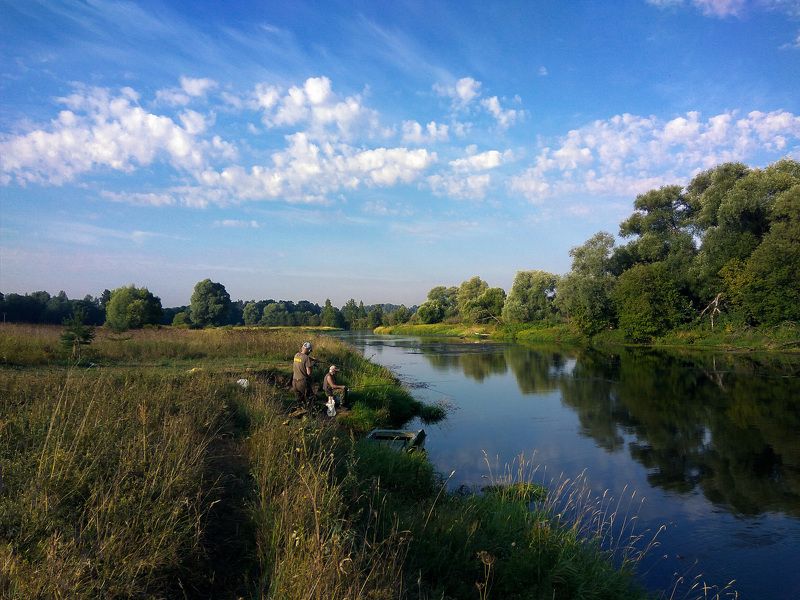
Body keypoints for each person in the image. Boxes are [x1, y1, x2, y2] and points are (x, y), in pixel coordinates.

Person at [292, 341, 316, 407]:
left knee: (299, 400)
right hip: (302, 382)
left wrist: (312, 359)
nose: (310, 352)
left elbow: (302, 358)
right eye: (310, 351)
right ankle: (310, 412)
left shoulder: (296, 355)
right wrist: (312, 364)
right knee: (310, 398)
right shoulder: (306, 358)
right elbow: (309, 373)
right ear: (309, 350)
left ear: (302, 348)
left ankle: (299, 410)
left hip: (294, 382)